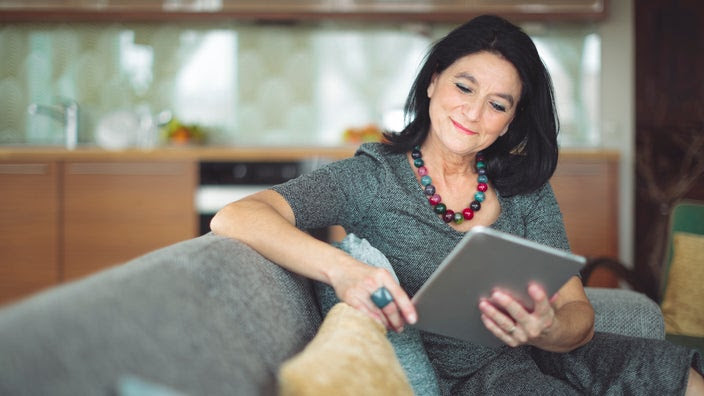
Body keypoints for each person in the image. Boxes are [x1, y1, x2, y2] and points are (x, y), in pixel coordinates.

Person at [212, 14, 704, 395]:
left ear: (510, 122)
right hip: (478, 381)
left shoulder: (524, 188)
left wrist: (548, 329)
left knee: (679, 378)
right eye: (464, 87)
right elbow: (236, 215)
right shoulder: (371, 178)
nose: (473, 111)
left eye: (498, 103)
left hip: (550, 352)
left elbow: (578, 313)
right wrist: (344, 271)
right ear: (432, 82)